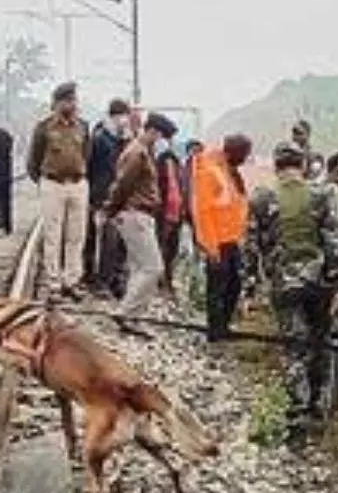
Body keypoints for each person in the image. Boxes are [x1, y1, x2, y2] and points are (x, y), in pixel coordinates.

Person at [249, 141, 338, 447]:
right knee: (320, 342)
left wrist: (251, 286)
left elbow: (250, 244)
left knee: (295, 349)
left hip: (284, 284)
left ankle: (297, 418)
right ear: (302, 165)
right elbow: (334, 241)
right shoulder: (322, 194)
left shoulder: (262, 197)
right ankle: (318, 407)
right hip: (320, 282)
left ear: (276, 166)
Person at [103, 112, 179, 337]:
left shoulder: (142, 151)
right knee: (153, 268)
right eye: (161, 136)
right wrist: (110, 209)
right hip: (135, 214)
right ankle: (126, 312)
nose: (162, 142)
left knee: (139, 269)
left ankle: (133, 317)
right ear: (152, 131)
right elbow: (122, 185)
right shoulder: (137, 153)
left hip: (137, 214)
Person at [27, 82, 91, 301]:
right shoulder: (44, 127)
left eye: (74, 100)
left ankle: (71, 280)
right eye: (67, 100)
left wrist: (80, 174)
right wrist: (43, 180)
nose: (72, 105)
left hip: (78, 184)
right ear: (56, 103)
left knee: (76, 235)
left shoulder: (83, 126)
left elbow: (87, 154)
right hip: (53, 183)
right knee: (53, 235)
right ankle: (53, 281)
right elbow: (34, 159)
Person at [188, 133, 251, 341]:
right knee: (217, 288)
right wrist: (211, 246)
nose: (245, 160)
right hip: (217, 241)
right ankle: (215, 331)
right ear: (234, 152)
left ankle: (223, 326)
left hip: (231, 239)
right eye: (244, 155)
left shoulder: (228, 170)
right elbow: (203, 212)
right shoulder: (210, 171)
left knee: (234, 284)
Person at [88, 99, 133, 295]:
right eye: (122, 116)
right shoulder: (100, 139)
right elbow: (91, 168)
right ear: (114, 116)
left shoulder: (126, 139)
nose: (125, 121)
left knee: (122, 241)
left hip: (122, 198)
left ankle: (117, 281)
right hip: (104, 196)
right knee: (108, 240)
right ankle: (102, 281)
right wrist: (95, 199)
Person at [154, 130, 186, 293]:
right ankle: (159, 283)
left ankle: (168, 279)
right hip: (163, 213)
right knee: (161, 247)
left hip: (176, 213)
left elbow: (180, 188)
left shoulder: (177, 163)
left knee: (172, 250)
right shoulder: (157, 164)